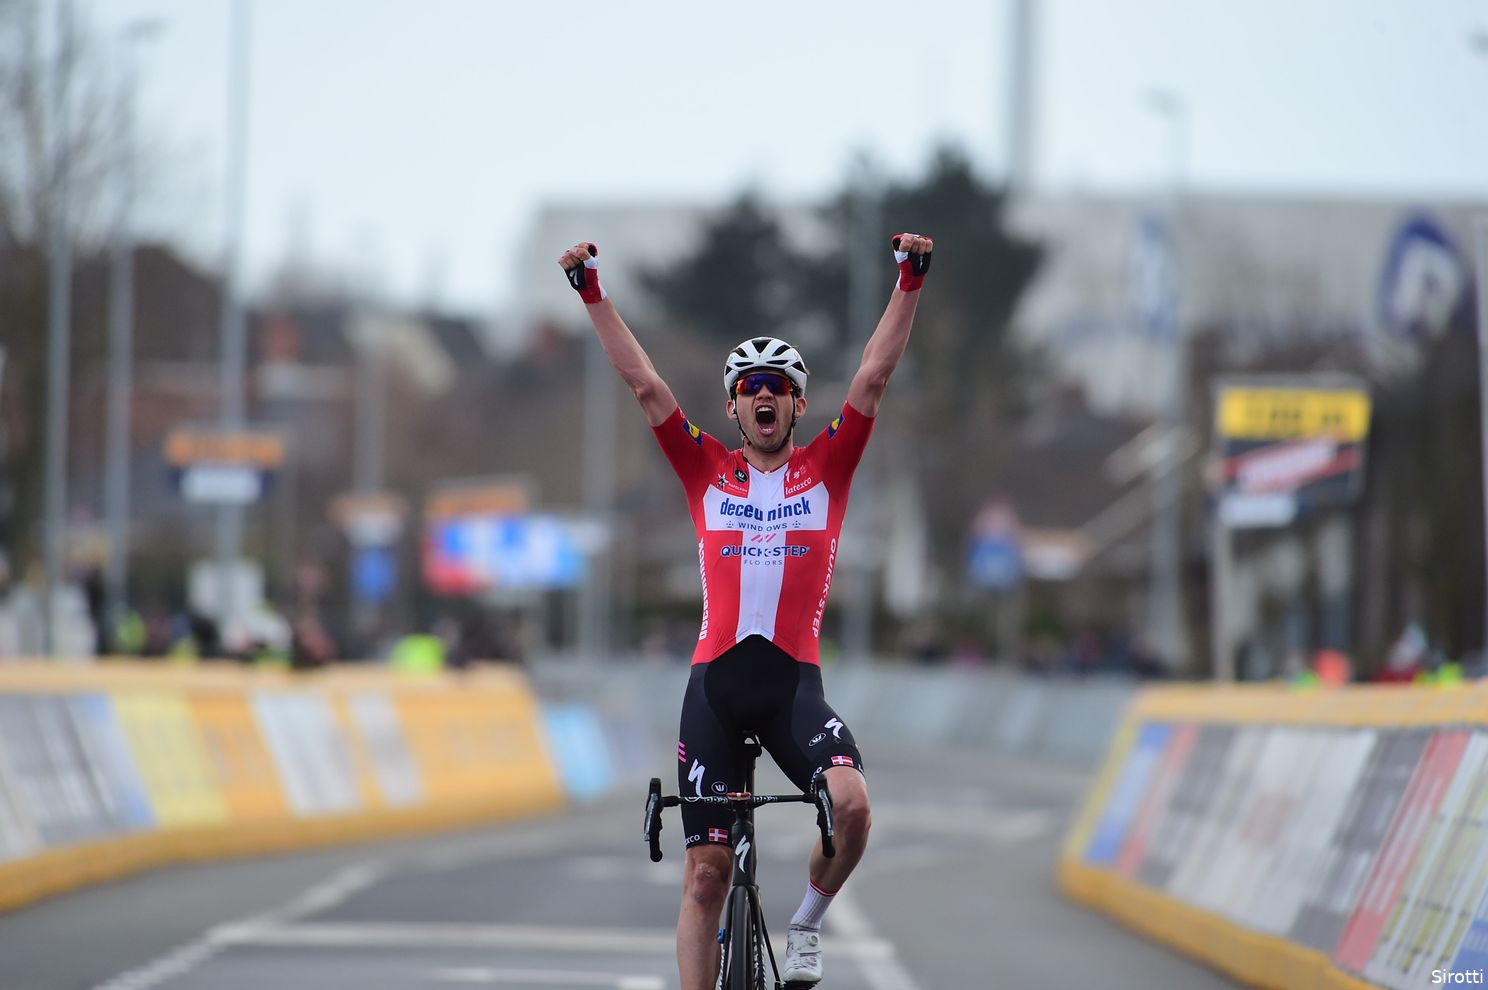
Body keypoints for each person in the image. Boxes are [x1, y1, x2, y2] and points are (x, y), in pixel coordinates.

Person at [558, 232, 933, 990]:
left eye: (779, 385)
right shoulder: (705, 469)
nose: (765, 394)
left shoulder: (828, 467)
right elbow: (646, 387)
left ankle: (806, 926)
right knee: (706, 876)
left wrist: (909, 281)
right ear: (733, 405)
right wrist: (592, 292)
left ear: (797, 404)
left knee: (852, 806)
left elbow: (873, 377)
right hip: (715, 693)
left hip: (793, 689)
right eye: (751, 386)